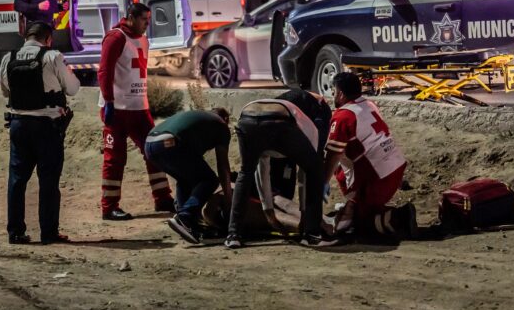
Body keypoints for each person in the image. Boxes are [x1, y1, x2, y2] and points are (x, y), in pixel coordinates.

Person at [0, 22, 80, 245]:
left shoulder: (9, 58)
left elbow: (5, 90)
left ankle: (15, 232)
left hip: (18, 124)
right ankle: (48, 232)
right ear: (48, 38)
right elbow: (73, 88)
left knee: (16, 180)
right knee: (48, 181)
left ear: (26, 37)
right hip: (47, 126)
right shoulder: (53, 57)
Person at [98, 3, 175, 220]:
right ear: (131, 17)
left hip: (139, 108)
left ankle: (163, 199)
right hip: (118, 108)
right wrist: (109, 101)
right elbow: (104, 71)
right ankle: (109, 206)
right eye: (144, 20)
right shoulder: (115, 37)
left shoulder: (142, 39)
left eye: (148, 21)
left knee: (155, 152)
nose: (147, 25)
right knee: (115, 158)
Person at [226, 90, 330, 248]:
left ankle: (233, 234)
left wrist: (268, 212)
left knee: (245, 172)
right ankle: (312, 235)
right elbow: (305, 173)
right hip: (280, 121)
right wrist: (305, 216)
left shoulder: (281, 105)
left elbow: (261, 170)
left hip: (246, 117)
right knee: (315, 169)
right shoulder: (311, 123)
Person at [324, 72, 416, 242]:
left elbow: (332, 155)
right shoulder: (369, 105)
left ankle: (395, 217)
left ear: (341, 93)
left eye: (334, 91)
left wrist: (322, 181)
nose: (332, 95)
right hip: (394, 170)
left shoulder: (343, 117)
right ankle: (363, 207)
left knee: (352, 226)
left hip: (377, 180)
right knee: (347, 158)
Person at [144, 108, 233, 244]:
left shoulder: (198, 119)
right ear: (225, 119)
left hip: (150, 144)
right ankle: (185, 217)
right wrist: (229, 200)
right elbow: (223, 166)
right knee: (209, 180)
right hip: (171, 142)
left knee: (185, 179)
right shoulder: (221, 125)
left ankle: (187, 224)